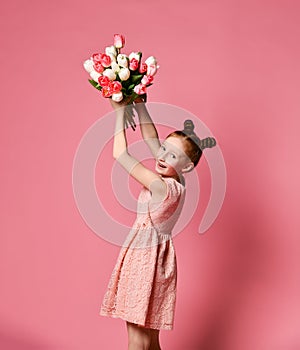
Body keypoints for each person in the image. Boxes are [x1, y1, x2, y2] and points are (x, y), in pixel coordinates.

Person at [100, 97, 216, 350]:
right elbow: (152, 139)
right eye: (164, 149)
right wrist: (139, 105)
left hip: (143, 261)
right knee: (151, 339)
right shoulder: (179, 183)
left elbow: (119, 154)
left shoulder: (159, 185)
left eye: (172, 155)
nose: (162, 156)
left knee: (137, 338)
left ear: (186, 166)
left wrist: (120, 112)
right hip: (160, 262)